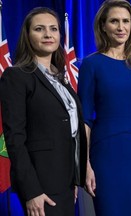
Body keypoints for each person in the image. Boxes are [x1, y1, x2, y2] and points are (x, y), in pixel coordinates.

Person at [77, 0, 131, 215]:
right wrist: (85, 163)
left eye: (126, 21)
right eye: (114, 21)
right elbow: (85, 119)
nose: (120, 27)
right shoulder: (91, 64)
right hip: (106, 153)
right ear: (103, 26)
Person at [0, 7, 87, 216]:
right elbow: (15, 139)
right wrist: (31, 191)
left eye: (54, 29)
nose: (48, 34)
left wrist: (75, 177)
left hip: (66, 180)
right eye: (40, 29)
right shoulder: (16, 77)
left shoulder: (61, 80)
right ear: (28, 36)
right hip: (41, 183)